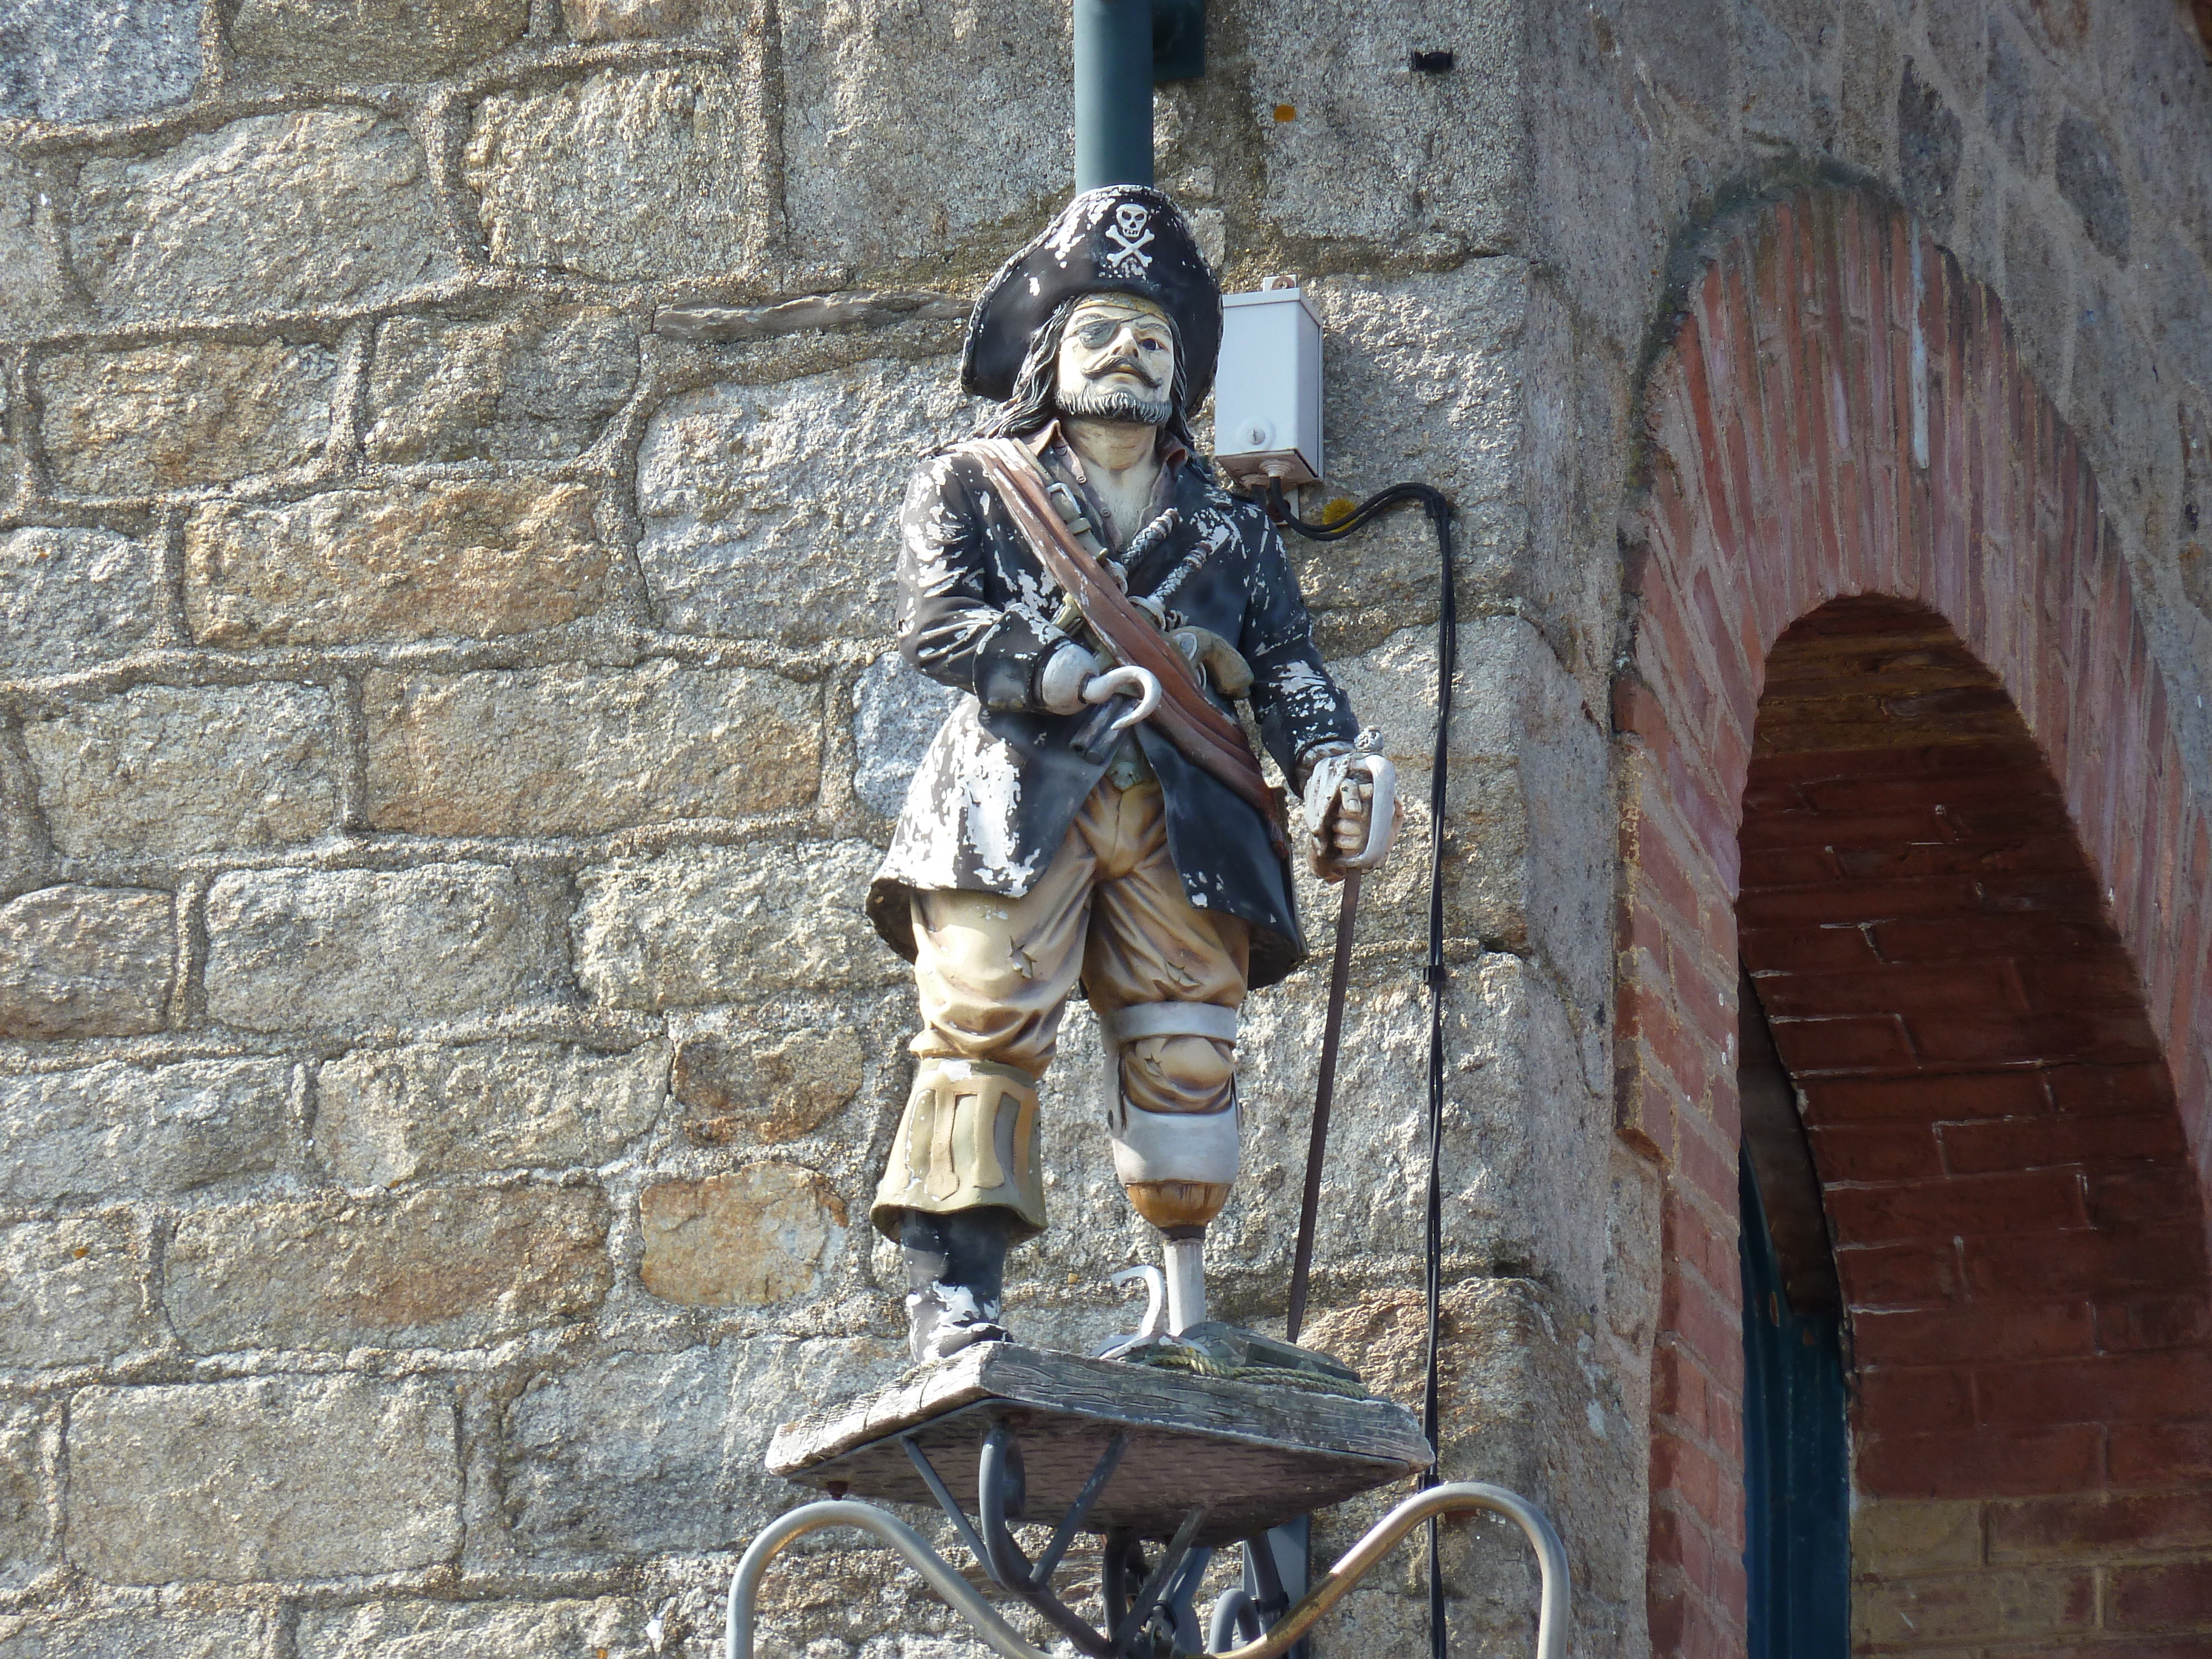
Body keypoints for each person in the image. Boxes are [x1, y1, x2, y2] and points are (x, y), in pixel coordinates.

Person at [864, 185, 1399, 1361]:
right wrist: (1053, 669)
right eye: (1104, 329)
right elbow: (937, 619)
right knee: (984, 1019)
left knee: (1186, 1042)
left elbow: (1288, 666)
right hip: (1013, 800)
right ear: (1052, 353)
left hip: (1183, 808)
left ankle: (1180, 1301)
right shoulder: (973, 481)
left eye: (1154, 338)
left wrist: (1336, 774)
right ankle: (955, 1294)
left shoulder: (1234, 524)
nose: (1132, 353)